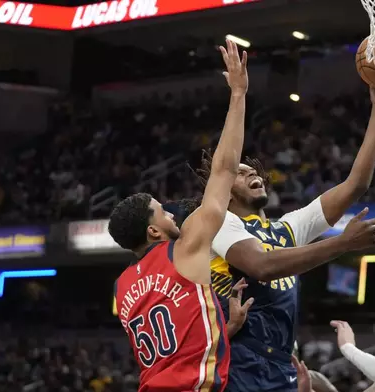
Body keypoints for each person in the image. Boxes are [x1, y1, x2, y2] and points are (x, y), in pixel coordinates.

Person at [187, 78, 375, 392]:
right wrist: (343, 242)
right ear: (224, 191)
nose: (251, 172)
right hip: (238, 358)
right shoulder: (220, 223)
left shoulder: (286, 228)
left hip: (280, 362)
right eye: (238, 172)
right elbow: (261, 265)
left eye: (251, 170)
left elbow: (356, 185)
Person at [109, 39, 251, 392]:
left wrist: (222, 327)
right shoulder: (184, 249)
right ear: (154, 232)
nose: (171, 213)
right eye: (162, 212)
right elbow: (224, 170)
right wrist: (238, 94)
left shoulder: (122, 287)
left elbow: (170, 343)